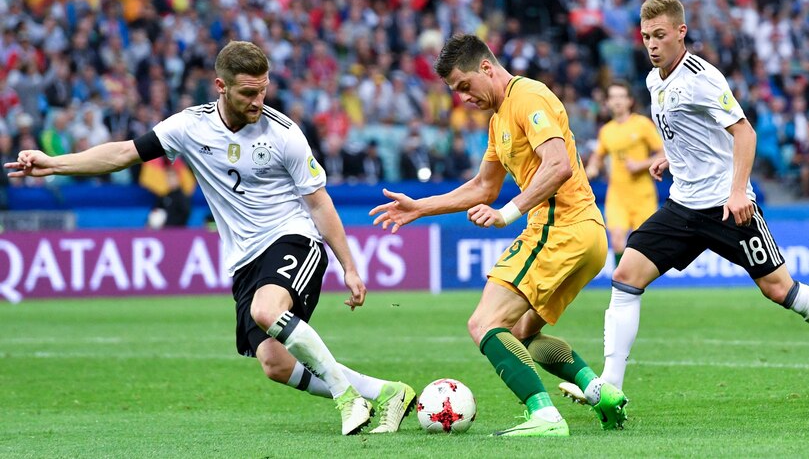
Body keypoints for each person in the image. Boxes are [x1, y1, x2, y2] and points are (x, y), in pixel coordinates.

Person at [5, 41, 416, 436]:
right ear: (221, 86)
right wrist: (55, 164)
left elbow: (320, 203)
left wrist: (349, 266)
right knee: (275, 364)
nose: (258, 101)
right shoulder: (189, 126)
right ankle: (386, 393)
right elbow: (123, 153)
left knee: (266, 310)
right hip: (244, 260)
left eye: (264, 89)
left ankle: (348, 399)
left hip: (293, 238)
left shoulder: (284, 134)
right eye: (248, 92)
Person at [585, 0, 809, 394]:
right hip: (682, 206)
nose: (651, 44)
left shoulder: (702, 77)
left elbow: (743, 132)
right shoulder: (652, 80)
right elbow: (689, 131)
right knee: (626, 274)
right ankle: (610, 386)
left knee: (779, 289)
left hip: (726, 207)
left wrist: (737, 192)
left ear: (681, 32)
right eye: (646, 36)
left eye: (660, 35)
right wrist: (668, 156)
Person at [369, 34, 628, 437]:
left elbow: (557, 165)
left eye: (465, 86)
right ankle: (599, 392)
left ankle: (544, 415)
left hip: (562, 227)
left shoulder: (528, 97)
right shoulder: (498, 119)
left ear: (487, 68)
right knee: (523, 332)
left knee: (484, 323)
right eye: (456, 92)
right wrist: (421, 207)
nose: (463, 98)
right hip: (583, 234)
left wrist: (508, 213)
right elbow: (482, 188)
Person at [585, 81, 664, 265]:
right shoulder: (606, 131)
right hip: (617, 195)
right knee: (618, 241)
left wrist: (640, 165)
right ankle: (622, 283)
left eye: (621, 96)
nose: (617, 101)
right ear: (607, 102)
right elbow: (598, 155)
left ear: (629, 101)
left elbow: (664, 153)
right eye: (613, 97)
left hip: (642, 194)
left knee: (641, 245)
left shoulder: (642, 124)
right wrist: (593, 167)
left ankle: (635, 284)